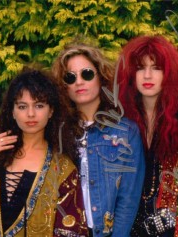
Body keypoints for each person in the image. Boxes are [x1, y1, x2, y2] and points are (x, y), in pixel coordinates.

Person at [52, 43, 145, 237]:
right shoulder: (55, 131)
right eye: (70, 77)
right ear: (64, 86)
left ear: (100, 77)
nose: (79, 82)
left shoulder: (126, 132)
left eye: (86, 74)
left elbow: (128, 198)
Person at [117, 35, 178, 237]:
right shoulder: (121, 121)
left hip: (171, 231)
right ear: (131, 74)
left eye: (156, 68)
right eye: (140, 68)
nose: (147, 75)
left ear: (169, 74)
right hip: (128, 229)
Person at [0, 67, 88, 236]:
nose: (31, 114)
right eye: (22, 106)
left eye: (39, 105)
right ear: (12, 111)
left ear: (51, 111)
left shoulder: (63, 168)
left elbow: (70, 230)